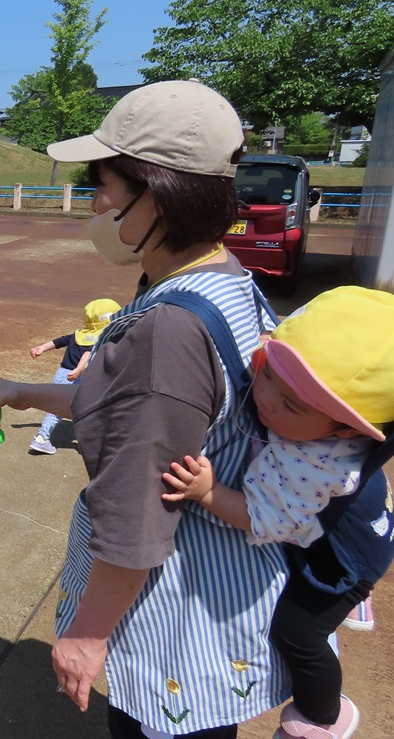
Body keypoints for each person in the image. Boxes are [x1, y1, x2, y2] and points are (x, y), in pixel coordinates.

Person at [0, 80, 290, 737]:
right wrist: (23, 390)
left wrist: (88, 637)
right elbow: (134, 404)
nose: (93, 204)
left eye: (104, 186)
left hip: (174, 606)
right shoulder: (226, 279)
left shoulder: (167, 327)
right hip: (225, 587)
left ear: (158, 195)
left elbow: (138, 500)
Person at [162, 286, 394, 739]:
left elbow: (266, 519)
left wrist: (207, 492)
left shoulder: (317, 465)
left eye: (290, 404)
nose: (265, 398)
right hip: (338, 526)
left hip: (341, 562)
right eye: (269, 373)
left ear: (346, 428)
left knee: (296, 632)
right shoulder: (299, 414)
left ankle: (323, 715)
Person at [26, 298, 120, 454]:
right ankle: (90, 443)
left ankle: (42, 437)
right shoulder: (101, 337)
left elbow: (60, 341)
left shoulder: (79, 334)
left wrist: (42, 348)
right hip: (78, 376)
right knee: (89, 408)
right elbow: (88, 354)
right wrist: (79, 370)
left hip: (62, 373)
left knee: (56, 407)